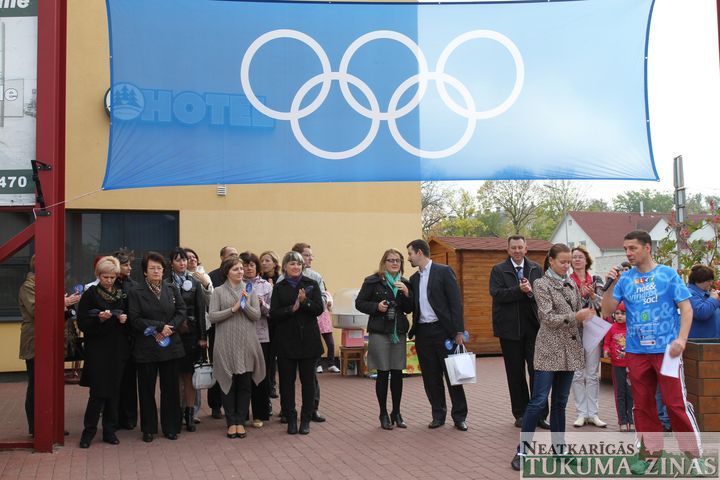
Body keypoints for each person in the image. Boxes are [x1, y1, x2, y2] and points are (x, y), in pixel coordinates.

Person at [602, 230, 700, 469]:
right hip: (636, 351)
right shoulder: (625, 279)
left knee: (675, 403)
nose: (628, 253)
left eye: (633, 248)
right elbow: (606, 310)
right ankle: (649, 456)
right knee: (642, 405)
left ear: (647, 248)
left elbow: (686, 309)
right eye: (626, 248)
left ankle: (694, 457)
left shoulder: (667, 275)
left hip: (667, 351)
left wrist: (681, 340)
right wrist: (612, 282)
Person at [511, 244, 595, 471]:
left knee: (560, 402)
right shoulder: (541, 284)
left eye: (569, 262)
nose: (567, 265)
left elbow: (578, 315)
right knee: (539, 401)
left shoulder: (571, 284)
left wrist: (588, 309)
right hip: (549, 350)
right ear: (551, 261)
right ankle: (522, 450)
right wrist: (575, 315)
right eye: (563, 262)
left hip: (569, 351)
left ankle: (560, 449)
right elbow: (547, 318)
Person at [406, 239, 468, 431]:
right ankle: (438, 415)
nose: (408, 258)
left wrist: (458, 331)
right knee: (431, 377)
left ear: (419, 252)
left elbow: (455, 302)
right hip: (423, 332)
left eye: (410, 254)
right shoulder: (414, 279)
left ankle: (459, 417)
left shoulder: (443, 271)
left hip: (444, 331)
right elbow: (412, 307)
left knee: (453, 375)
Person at [489, 235, 549, 429]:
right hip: (509, 331)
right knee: (515, 374)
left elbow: (542, 296)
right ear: (508, 250)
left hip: (533, 329)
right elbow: (497, 294)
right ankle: (521, 414)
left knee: (538, 372)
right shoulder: (498, 270)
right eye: (513, 247)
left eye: (520, 247)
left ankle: (540, 414)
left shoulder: (535, 268)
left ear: (526, 249)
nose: (516, 250)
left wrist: (530, 292)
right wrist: (518, 290)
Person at [18, 255, 81, 437]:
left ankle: (51, 425)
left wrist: (68, 309)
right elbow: (39, 311)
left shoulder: (47, 285)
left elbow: (56, 312)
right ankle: (36, 428)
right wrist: (63, 303)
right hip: (35, 342)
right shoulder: (28, 286)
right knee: (37, 385)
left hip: (53, 341)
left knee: (52, 384)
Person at [127, 251, 187, 443]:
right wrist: (159, 327)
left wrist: (171, 328)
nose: (156, 271)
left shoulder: (171, 288)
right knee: (146, 389)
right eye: (152, 268)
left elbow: (181, 311)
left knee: (170, 389)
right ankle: (148, 428)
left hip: (170, 344)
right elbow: (135, 319)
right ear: (145, 271)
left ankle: (171, 427)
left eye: (159, 268)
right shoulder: (136, 292)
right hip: (147, 346)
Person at [208, 256, 266, 439]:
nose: (241, 271)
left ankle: (240, 421)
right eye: (236, 269)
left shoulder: (250, 290)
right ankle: (230, 421)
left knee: (244, 383)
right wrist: (233, 309)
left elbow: (256, 315)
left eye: (241, 269)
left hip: (246, 342)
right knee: (228, 383)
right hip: (225, 343)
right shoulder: (217, 291)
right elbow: (213, 317)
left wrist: (244, 305)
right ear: (227, 272)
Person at [76, 256, 131, 448]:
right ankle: (88, 432)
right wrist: (99, 320)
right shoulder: (90, 294)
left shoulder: (120, 294)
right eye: (105, 277)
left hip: (117, 348)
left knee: (114, 392)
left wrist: (124, 320)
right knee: (98, 392)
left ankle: (110, 431)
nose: (109, 280)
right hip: (98, 349)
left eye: (112, 277)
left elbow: (130, 320)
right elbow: (82, 322)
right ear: (98, 275)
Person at [355, 248, 413, 430]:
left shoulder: (404, 283)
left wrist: (407, 294)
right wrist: (376, 307)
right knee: (383, 372)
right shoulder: (372, 281)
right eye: (391, 260)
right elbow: (359, 303)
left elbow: (410, 308)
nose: (395, 263)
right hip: (380, 331)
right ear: (384, 263)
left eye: (398, 260)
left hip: (398, 332)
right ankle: (383, 413)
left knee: (397, 373)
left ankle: (397, 412)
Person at [270, 251, 324, 435]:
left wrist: (305, 302)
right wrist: (290, 309)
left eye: (299, 264)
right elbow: (274, 313)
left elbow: (319, 309)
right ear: (285, 266)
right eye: (292, 264)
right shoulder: (279, 287)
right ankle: (290, 418)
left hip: (308, 341)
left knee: (308, 382)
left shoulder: (311, 284)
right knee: (287, 383)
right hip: (286, 341)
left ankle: (306, 419)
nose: (296, 267)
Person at [166, 247, 207, 432]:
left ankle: (190, 414)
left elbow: (200, 310)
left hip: (191, 334)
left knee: (189, 376)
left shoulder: (195, 282)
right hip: (171, 333)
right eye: (178, 260)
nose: (182, 263)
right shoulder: (165, 283)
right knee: (173, 377)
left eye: (184, 260)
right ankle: (174, 414)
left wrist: (202, 337)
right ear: (171, 263)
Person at [569, 245, 607, 428]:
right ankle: (581, 413)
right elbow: (566, 307)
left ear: (586, 260)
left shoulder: (596, 279)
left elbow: (603, 304)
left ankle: (593, 413)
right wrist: (579, 295)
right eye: (574, 257)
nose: (577, 260)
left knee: (592, 374)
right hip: (574, 332)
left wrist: (592, 295)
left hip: (593, 330)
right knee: (577, 374)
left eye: (580, 257)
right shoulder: (567, 281)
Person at [291, 242, 329, 421]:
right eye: (307, 255)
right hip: (289, 330)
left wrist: (307, 302)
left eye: (310, 255)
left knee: (310, 375)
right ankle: (287, 410)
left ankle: (313, 408)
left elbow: (321, 300)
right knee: (289, 376)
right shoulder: (285, 278)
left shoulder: (315, 277)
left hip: (309, 330)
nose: (310, 258)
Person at [240, 252, 273, 428]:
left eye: (252, 265)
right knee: (242, 375)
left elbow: (272, 312)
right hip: (241, 336)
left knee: (260, 375)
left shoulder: (266, 287)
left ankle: (260, 414)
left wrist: (262, 304)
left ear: (257, 267)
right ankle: (242, 414)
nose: (248, 268)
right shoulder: (236, 285)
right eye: (245, 265)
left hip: (261, 336)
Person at [206, 245, 238, 419]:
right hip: (217, 331)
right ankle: (216, 405)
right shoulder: (211, 277)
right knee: (218, 368)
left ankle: (232, 406)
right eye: (231, 255)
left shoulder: (239, 278)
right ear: (222, 258)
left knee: (235, 370)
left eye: (236, 255)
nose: (235, 257)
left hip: (236, 332)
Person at [113, 247, 139, 431]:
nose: (129, 268)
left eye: (130, 265)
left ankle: (129, 418)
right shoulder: (108, 285)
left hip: (130, 337)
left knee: (129, 381)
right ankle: (113, 418)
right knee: (114, 381)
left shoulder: (133, 286)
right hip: (114, 338)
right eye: (125, 265)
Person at [603, 302, 634, 431]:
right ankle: (622, 420)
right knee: (619, 393)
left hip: (630, 366)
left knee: (631, 393)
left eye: (623, 313)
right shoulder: (611, 328)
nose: (620, 316)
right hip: (617, 366)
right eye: (617, 313)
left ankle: (631, 420)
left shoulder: (631, 328)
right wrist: (606, 350)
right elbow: (606, 343)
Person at [259, 250, 281, 400]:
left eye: (267, 260)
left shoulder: (280, 279)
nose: (264, 263)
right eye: (262, 260)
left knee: (272, 356)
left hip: (275, 323)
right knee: (264, 357)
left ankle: (272, 384)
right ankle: (265, 385)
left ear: (275, 263)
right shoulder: (258, 279)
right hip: (261, 322)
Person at [687, 264, 720, 338]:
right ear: (700, 280)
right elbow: (701, 313)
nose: (711, 284)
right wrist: (713, 299)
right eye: (709, 281)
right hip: (699, 342)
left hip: (712, 341)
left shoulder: (705, 293)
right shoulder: (689, 294)